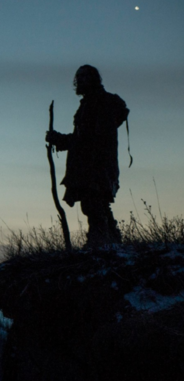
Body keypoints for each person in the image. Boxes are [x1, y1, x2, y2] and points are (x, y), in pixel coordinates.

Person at [46, 65, 129, 246]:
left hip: (96, 165)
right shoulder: (90, 104)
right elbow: (83, 138)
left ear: (94, 79)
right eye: (79, 77)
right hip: (90, 165)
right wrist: (61, 140)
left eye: (85, 77)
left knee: (93, 204)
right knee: (97, 204)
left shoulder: (100, 103)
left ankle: (98, 243)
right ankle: (112, 242)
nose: (80, 81)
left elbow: (92, 139)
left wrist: (61, 140)